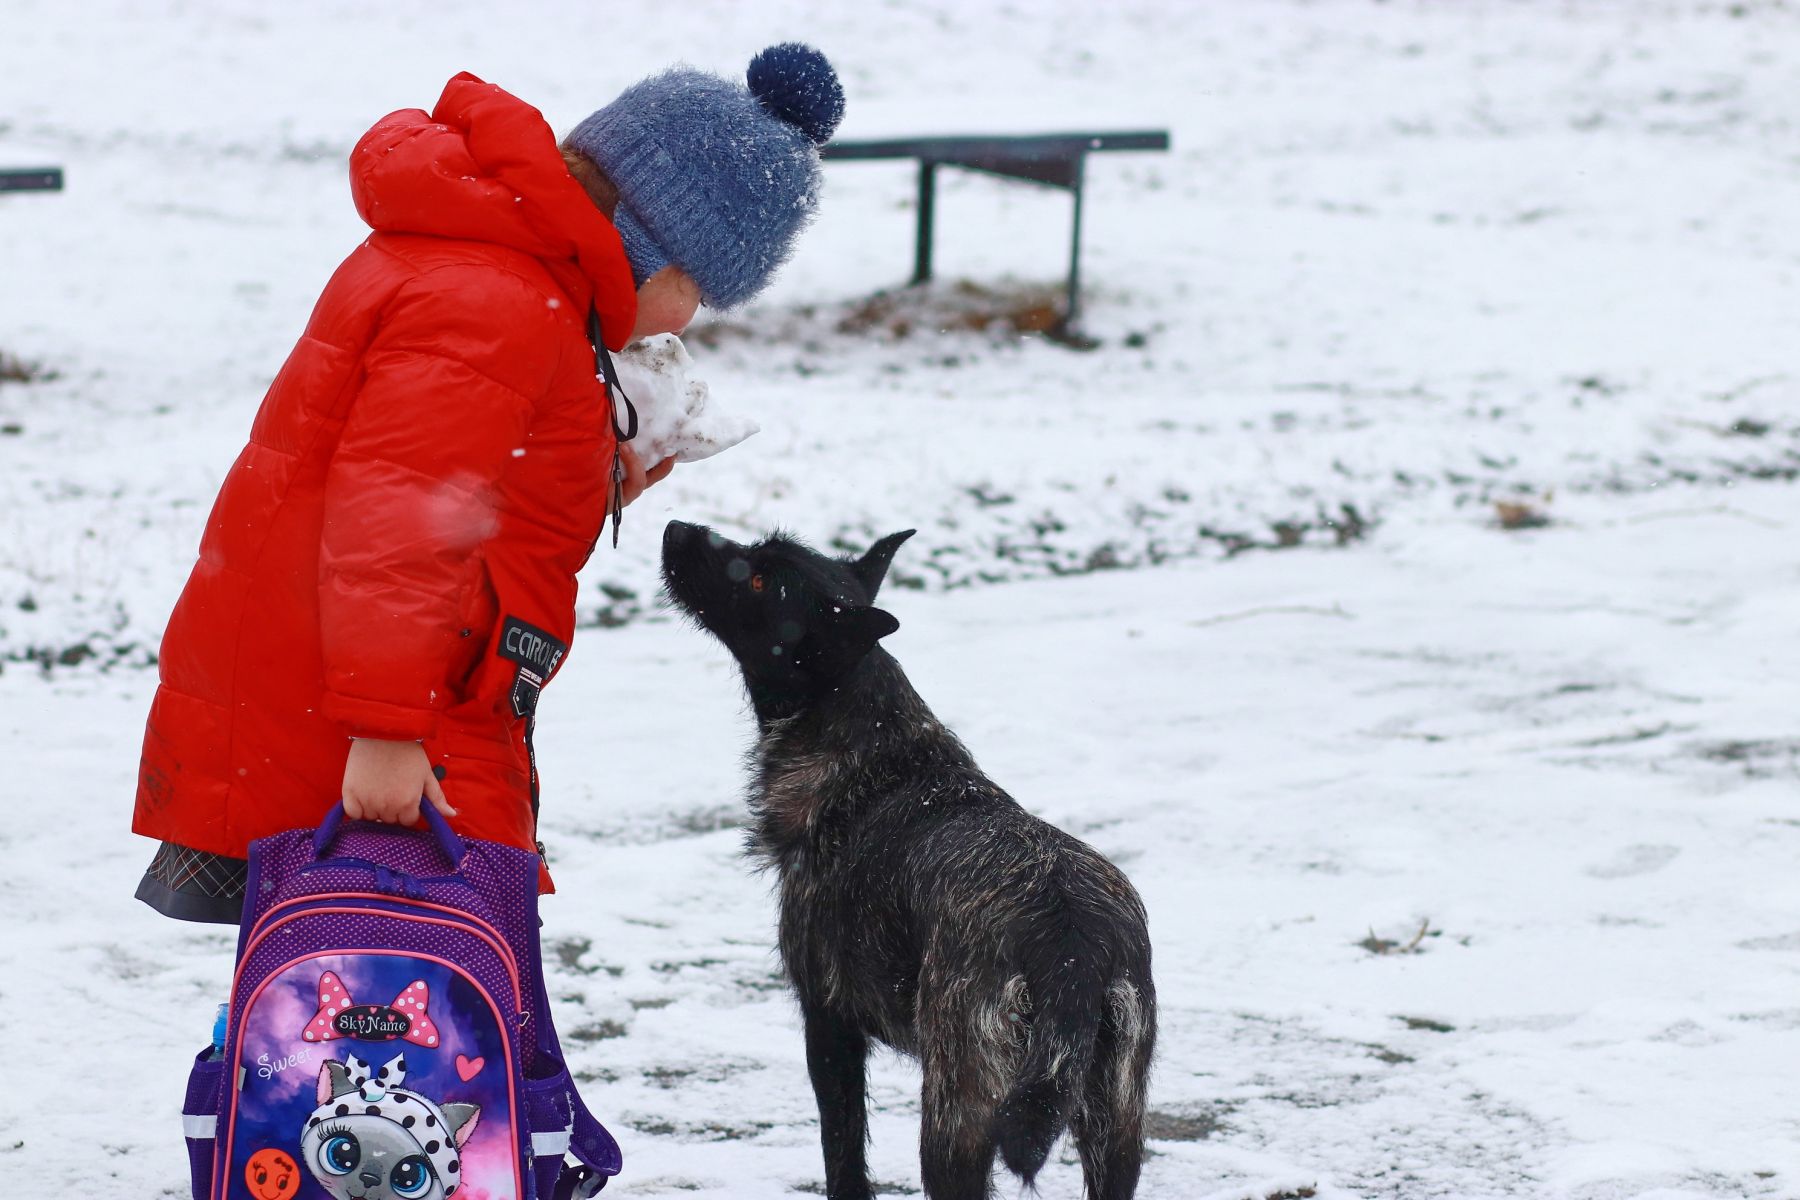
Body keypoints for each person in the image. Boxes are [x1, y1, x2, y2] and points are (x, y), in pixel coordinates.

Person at [131, 44, 847, 922]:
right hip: (361, 714)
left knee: (355, 985)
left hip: (379, 686)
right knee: (373, 994)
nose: (686, 321)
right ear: (653, 252)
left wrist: (598, 484)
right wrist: (387, 731)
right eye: (698, 295)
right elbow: (399, 519)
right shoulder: (497, 302)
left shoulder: (507, 276)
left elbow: (470, 494)